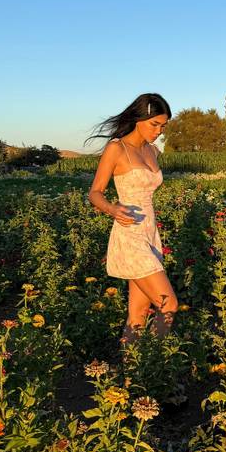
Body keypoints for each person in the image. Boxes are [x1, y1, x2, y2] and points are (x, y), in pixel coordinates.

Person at [85, 92, 178, 348]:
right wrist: (113, 210)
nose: (159, 131)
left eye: (163, 126)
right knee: (168, 303)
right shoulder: (117, 148)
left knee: (137, 314)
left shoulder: (153, 151)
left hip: (149, 232)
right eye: (154, 124)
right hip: (129, 234)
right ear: (139, 118)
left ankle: (132, 377)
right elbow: (95, 193)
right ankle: (154, 363)